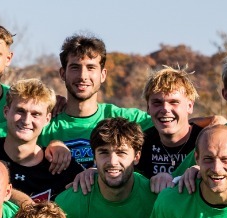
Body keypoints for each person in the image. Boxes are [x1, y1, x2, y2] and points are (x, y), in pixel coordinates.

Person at [40, 34, 150, 168]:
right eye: (75, 67)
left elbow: (175, 124)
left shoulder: (126, 120)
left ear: (103, 75)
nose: (82, 76)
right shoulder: (43, 123)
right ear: (62, 73)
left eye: (91, 68)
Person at [0, 79, 81, 203]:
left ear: (47, 119)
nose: (26, 121)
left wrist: (91, 173)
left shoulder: (62, 167)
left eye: (35, 114)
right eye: (20, 111)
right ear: (6, 112)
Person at [137, 68, 204, 186]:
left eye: (174, 102)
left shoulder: (205, 141)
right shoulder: (140, 144)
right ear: (148, 108)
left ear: (189, 106)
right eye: (157, 103)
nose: (165, 109)